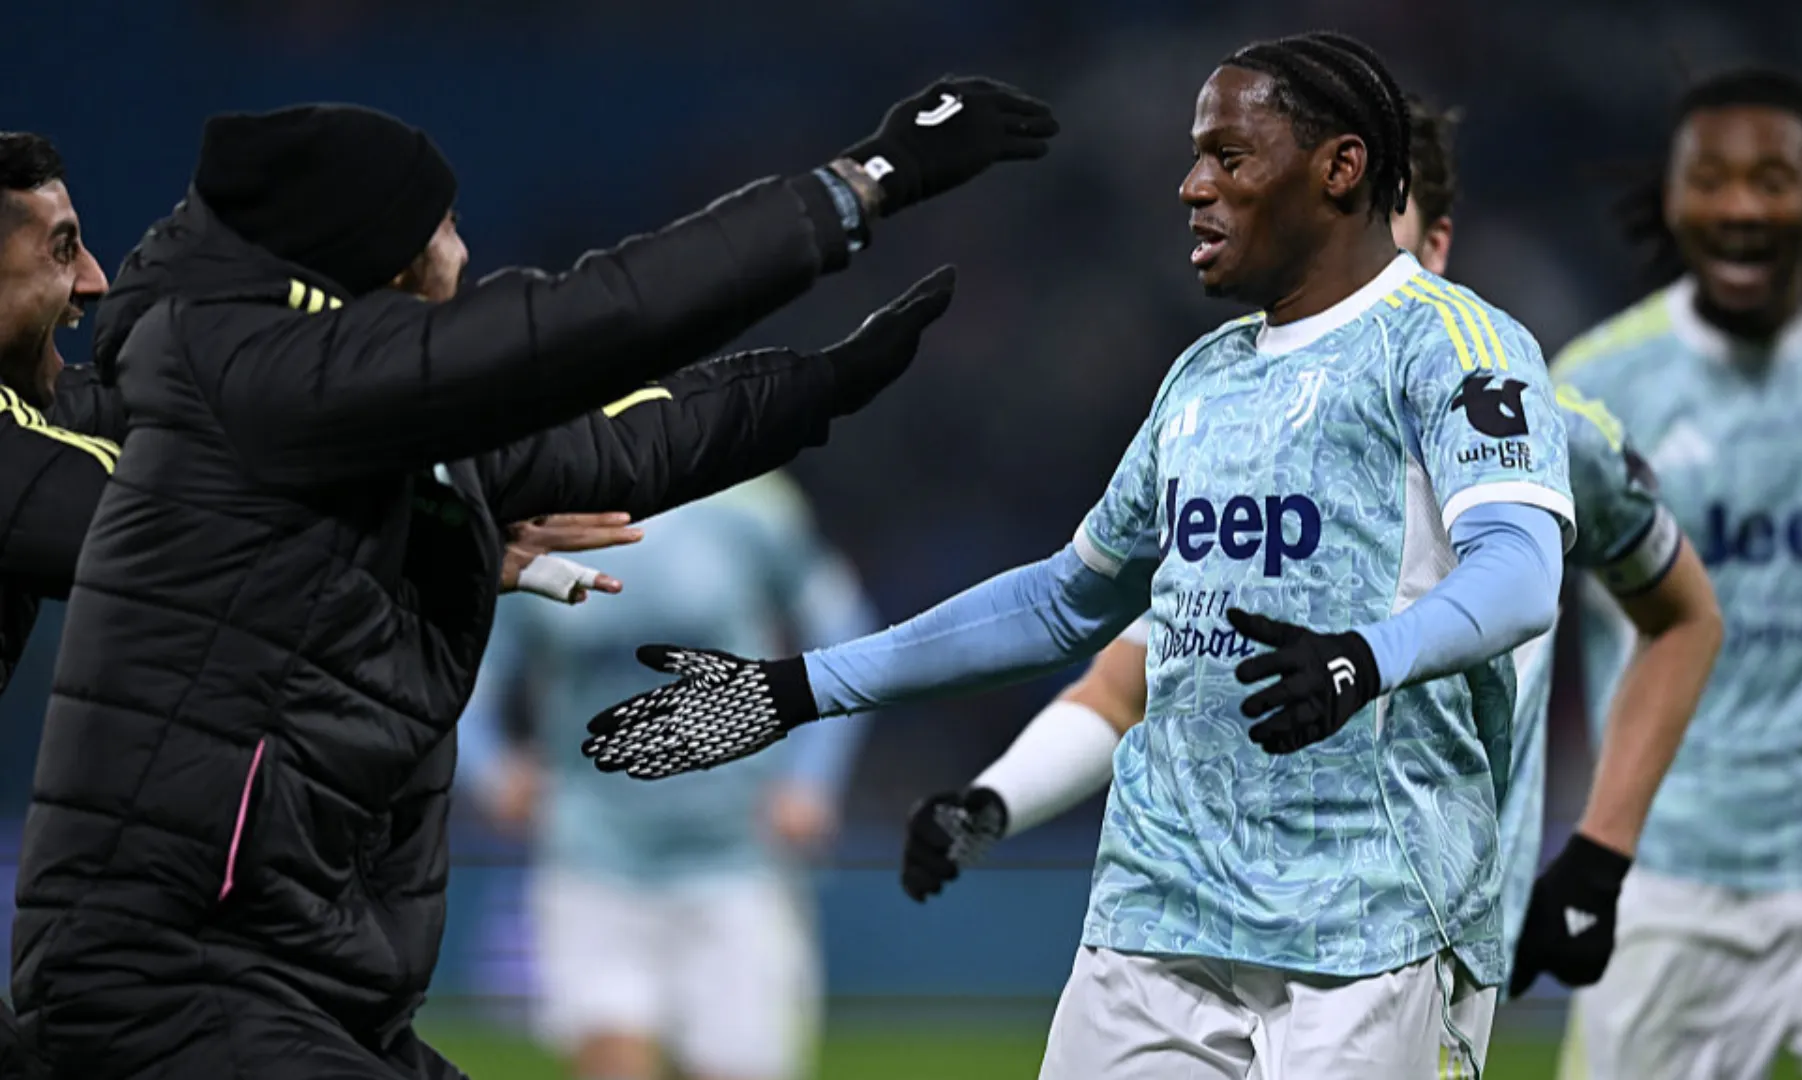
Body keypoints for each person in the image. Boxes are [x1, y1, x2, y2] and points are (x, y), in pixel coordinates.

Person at [12, 78, 1057, 1080]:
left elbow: (623, 441)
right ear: (384, 258)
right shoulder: (266, 375)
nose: (464, 253)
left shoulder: (370, 421)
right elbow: (581, 324)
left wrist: (824, 384)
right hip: (177, 975)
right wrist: (864, 182)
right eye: (444, 226)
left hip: (300, 982)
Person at [587, 34, 1575, 1078]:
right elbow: (1067, 601)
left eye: (1230, 157)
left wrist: (1361, 659)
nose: (1192, 186)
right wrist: (798, 688)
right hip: (1158, 913)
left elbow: (1521, 573)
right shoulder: (1203, 377)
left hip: (1370, 921)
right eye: (1194, 156)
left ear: (1339, 168)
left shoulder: (1455, 346)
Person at [894, 98, 1725, 1006]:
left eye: (1371, 224)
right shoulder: (1238, 445)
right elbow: (1125, 686)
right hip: (1208, 936)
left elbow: (1683, 618)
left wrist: (1600, 854)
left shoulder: (1540, 439)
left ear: (1435, 246)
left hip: (1409, 944)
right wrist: (994, 802)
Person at [0, 129, 688, 1079]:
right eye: (61, 248)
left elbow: (217, 464)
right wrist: (430, 530)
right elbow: (187, 531)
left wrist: (439, 506)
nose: (93, 283)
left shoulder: (59, 419)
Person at [1549, 68, 1802, 1080]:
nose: (1742, 207)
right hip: (1673, 867)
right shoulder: (1594, 388)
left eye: (1772, 180)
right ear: (1672, 198)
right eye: (1711, 180)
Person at [462, 469, 877, 1080]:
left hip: (738, 856)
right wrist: (491, 772)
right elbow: (468, 669)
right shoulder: (539, 517)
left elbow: (845, 628)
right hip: (592, 856)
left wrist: (811, 778)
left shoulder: (749, 503)